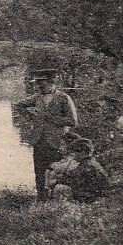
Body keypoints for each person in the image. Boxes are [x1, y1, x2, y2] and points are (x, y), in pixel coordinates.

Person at [19, 69, 79, 200]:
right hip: (39, 141)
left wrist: (51, 119)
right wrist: (30, 114)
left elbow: (72, 121)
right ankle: (41, 199)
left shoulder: (64, 98)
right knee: (39, 173)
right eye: (38, 83)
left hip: (57, 142)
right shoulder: (37, 97)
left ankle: (54, 200)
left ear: (52, 83)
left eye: (42, 83)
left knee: (55, 172)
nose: (39, 85)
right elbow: (19, 105)